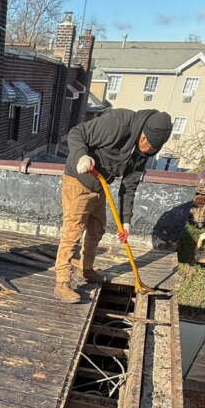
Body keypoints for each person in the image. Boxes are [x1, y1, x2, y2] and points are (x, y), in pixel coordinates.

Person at [54, 109, 173, 302]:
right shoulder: (117, 123)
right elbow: (77, 133)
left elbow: (129, 185)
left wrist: (126, 221)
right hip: (78, 181)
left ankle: (86, 269)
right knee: (73, 232)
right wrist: (81, 156)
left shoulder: (144, 153)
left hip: (100, 186)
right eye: (146, 142)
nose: (147, 149)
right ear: (143, 132)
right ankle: (62, 283)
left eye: (153, 149)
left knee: (97, 229)